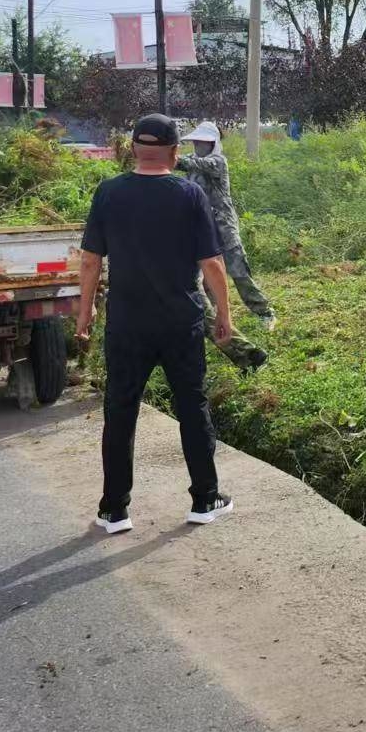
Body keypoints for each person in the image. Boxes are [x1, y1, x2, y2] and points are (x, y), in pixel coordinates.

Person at [76, 114, 236, 535]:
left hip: (127, 324)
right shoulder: (188, 194)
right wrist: (224, 313)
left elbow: (91, 260)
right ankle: (205, 499)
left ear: (132, 148)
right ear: (174, 151)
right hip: (179, 323)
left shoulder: (108, 193)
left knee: (120, 411)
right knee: (192, 406)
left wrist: (85, 312)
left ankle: (114, 509)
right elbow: (212, 264)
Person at [179, 121, 275, 329]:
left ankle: (264, 311)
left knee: (238, 270)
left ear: (213, 143)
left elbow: (196, 164)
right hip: (200, 225)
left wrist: (172, 158)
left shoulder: (218, 162)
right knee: (201, 276)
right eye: (196, 141)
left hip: (223, 224)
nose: (198, 145)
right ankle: (214, 319)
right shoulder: (191, 163)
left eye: (203, 142)